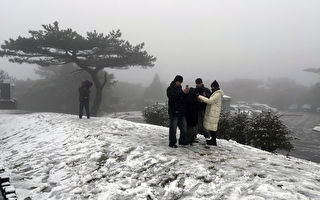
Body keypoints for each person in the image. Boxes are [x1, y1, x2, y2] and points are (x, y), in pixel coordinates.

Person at [198, 80, 224, 146]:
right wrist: (205, 96)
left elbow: (210, 101)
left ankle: (213, 141)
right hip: (213, 112)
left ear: (215, 87)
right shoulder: (215, 93)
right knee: (212, 127)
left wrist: (200, 96)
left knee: (213, 127)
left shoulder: (217, 94)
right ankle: (213, 140)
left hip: (214, 113)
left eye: (212, 87)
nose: (211, 88)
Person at [167, 75, 189, 148]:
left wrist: (186, 93)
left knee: (184, 127)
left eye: (181, 82)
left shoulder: (180, 89)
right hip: (173, 112)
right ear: (175, 81)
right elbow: (173, 97)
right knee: (173, 128)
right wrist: (182, 92)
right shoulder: (170, 89)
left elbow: (182, 99)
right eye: (179, 82)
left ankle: (182, 141)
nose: (180, 83)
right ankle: (172, 143)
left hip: (181, 112)